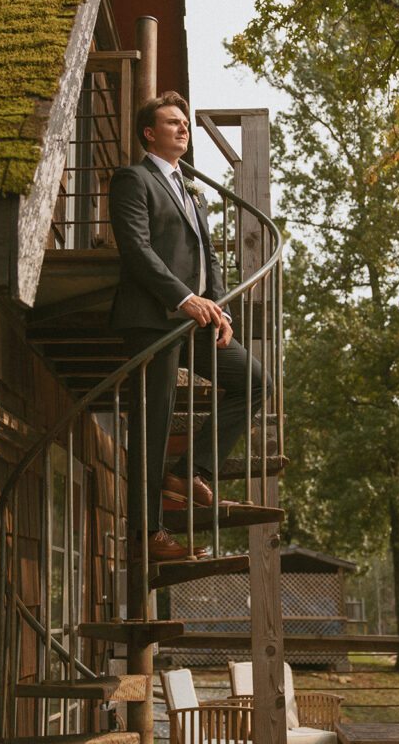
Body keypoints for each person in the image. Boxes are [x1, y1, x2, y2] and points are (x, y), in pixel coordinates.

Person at [109, 90, 272, 562]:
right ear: (149, 133)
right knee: (152, 426)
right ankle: (147, 537)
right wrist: (183, 298)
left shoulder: (190, 188)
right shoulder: (133, 179)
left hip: (197, 322)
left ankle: (189, 471)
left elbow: (208, 255)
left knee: (255, 382)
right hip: (153, 319)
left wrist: (218, 308)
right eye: (172, 122)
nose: (183, 128)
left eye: (185, 122)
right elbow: (136, 250)